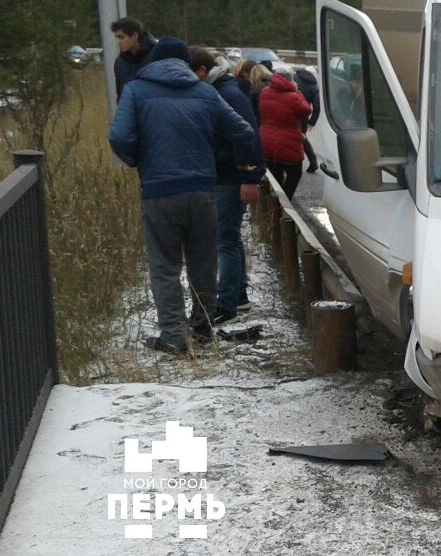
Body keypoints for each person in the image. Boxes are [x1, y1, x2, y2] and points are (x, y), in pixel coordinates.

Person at [107, 37, 257, 354]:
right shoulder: (204, 92)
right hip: (203, 190)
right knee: (203, 263)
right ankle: (202, 329)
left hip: (159, 191)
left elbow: (119, 135)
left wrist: (136, 159)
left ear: (155, 62)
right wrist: (219, 153)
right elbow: (243, 129)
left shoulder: (136, 90)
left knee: (164, 266)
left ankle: (173, 337)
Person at [189, 47, 264, 324]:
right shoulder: (219, 91)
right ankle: (239, 296)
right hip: (225, 174)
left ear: (202, 72)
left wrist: (249, 178)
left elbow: (249, 136)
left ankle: (227, 304)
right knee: (230, 238)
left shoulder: (227, 94)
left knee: (225, 240)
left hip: (230, 177)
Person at [259, 69, 313, 201]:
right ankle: (283, 203)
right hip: (288, 142)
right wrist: (297, 91)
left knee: (276, 175)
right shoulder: (293, 96)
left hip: (267, 140)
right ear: (289, 80)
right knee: (294, 174)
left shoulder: (265, 92)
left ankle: (274, 205)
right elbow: (306, 110)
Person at [110, 17, 157, 101]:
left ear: (135, 36)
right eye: (117, 38)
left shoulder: (156, 56)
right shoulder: (120, 63)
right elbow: (120, 95)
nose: (118, 42)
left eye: (121, 37)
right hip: (129, 110)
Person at [294, 67, 322, 173]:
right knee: (302, 138)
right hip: (302, 116)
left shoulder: (294, 78)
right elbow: (317, 106)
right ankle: (313, 161)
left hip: (288, 112)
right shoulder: (313, 86)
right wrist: (312, 122)